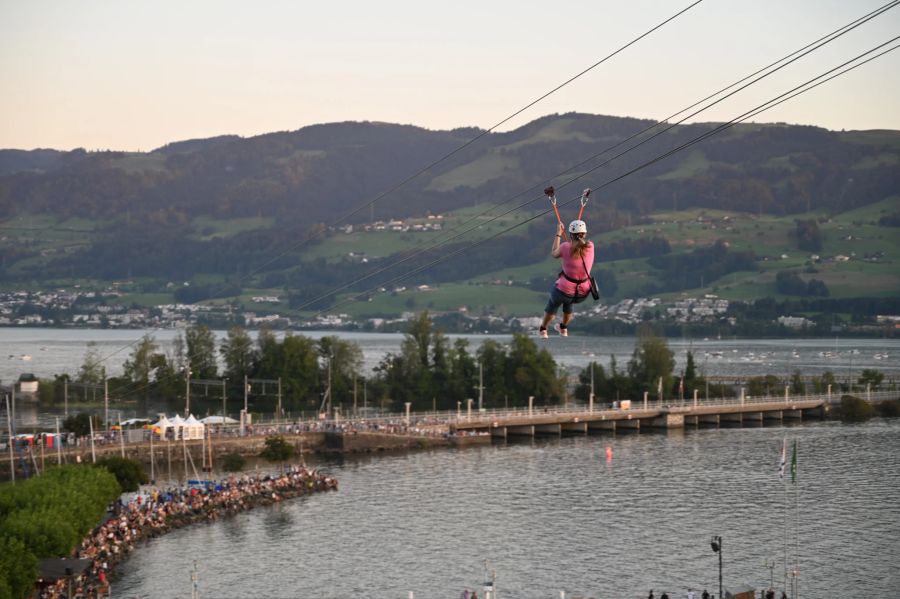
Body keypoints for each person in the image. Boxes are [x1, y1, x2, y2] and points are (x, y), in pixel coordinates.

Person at [539, 219, 595, 338]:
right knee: (568, 304)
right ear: (584, 234)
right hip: (582, 292)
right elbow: (580, 245)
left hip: (563, 289)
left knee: (552, 305)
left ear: (571, 234)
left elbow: (554, 253)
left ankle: (543, 329)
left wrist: (558, 233)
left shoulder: (565, 247)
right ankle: (563, 328)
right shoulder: (590, 246)